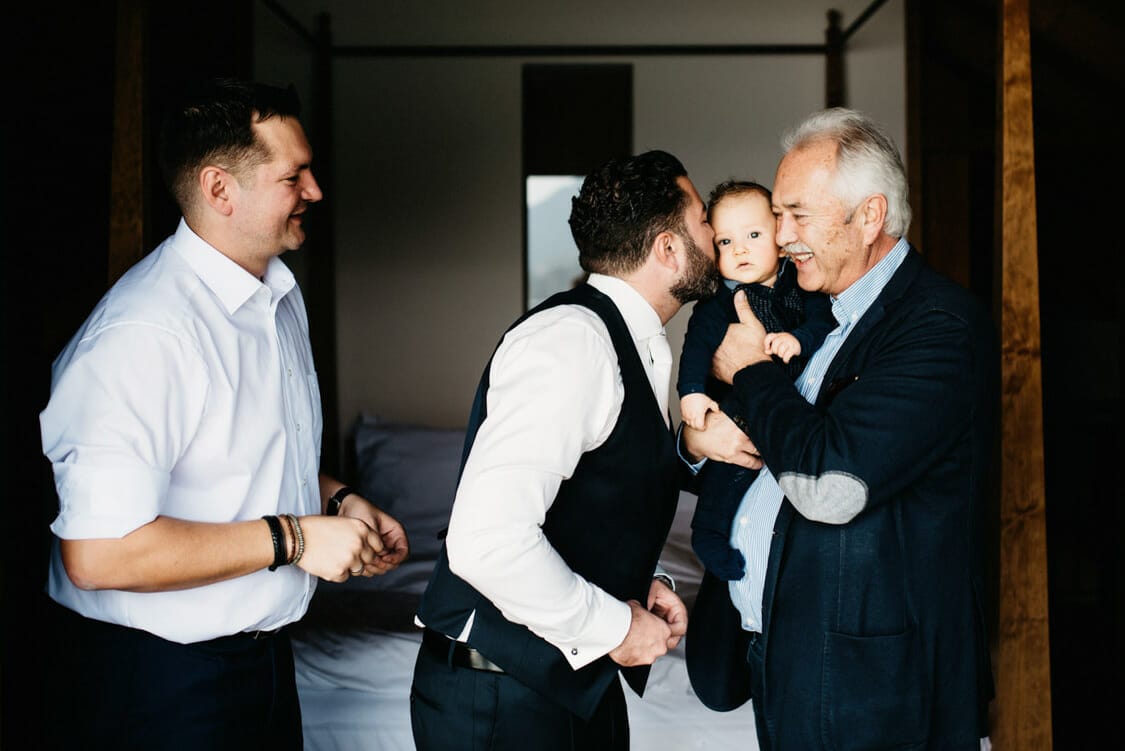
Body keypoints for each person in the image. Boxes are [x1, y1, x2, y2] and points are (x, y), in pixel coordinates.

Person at [39, 77, 409, 750]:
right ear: (219, 189)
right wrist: (296, 538)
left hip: (263, 662)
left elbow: (246, 454)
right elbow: (98, 552)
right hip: (162, 679)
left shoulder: (278, 297)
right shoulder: (145, 335)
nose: (316, 191)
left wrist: (341, 499)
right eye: (293, 175)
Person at [681, 108, 996, 749]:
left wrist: (750, 371)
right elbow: (748, 434)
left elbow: (831, 483)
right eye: (778, 214)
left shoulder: (937, 325)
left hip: (874, 691)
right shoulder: (807, 307)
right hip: (786, 653)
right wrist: (693, 441)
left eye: (798, 214)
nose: (781, 233)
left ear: (869, 215)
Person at [410, 150, 719, 751]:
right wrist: (616, 627)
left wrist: (638, 581)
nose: (717, 233)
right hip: (502, 702)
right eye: (703, 219)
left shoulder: (630, 342)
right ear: (668, 248)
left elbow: (592, 500)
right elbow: (489, 542)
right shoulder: (572, 343)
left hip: (569, 687)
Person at [677, 179, 833, 581]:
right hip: (737, 409)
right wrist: (691, 391)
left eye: (753, 235)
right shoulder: (717, 303)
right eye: (726, 242)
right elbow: (696, 348)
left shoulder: (802, 286)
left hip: (793, 409)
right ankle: (707, 533)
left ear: (780, 241)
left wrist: (798, 339)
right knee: (728, 473)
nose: (740, 249)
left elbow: (822, 322)